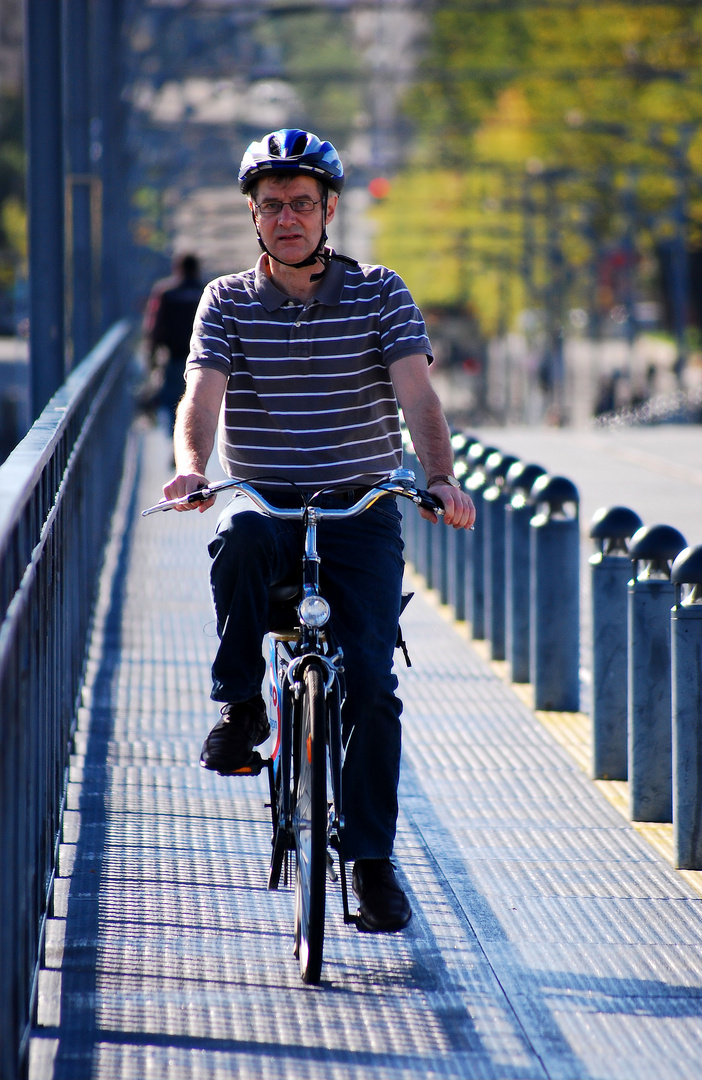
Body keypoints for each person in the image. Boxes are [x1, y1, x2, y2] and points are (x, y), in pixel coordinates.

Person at [162, 129, 475, 933]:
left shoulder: (379, 292)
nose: (288, 219)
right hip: (262, 498)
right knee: (234, 539)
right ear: (255, 218)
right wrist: (193, 468)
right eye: (272, 207)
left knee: (371, 683)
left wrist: (437, 479)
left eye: (303, 204)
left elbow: (418, 401)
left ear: (330, 210)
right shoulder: (227, 300)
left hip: (359, 509)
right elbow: (200, 397)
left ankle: (370, 863)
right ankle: (241, 708)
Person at [142, 253, 205, 437]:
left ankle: (177, 441)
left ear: (178, 268)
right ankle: (195, 440)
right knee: (199, 401)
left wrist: (152, 357)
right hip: (203, 359)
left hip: (174, 357)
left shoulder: (166, 292)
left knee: (173, 401)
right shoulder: (206, 292)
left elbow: (154, 326)